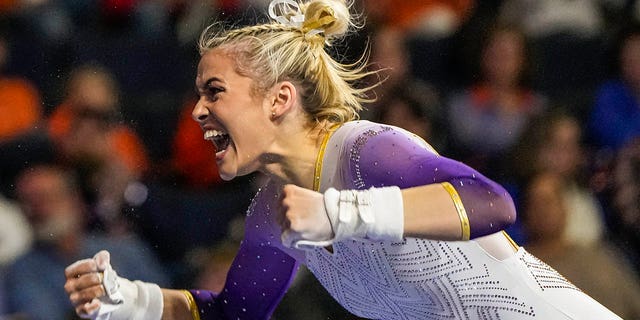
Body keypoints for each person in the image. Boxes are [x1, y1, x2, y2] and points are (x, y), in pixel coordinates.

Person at [63, 0, 622, 319]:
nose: (198, 113)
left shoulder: (369, 150)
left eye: (214, 91)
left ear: (279, 98)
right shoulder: (271, 214)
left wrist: (342, 214)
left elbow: (491, 203)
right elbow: (233, 313)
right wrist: (132, 300)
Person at [4, 164, 169, 320]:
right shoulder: (16, 273)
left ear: (74, 201)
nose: (39, 210)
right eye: (28, 202)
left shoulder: (126, 250)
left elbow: (165, 305)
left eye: (46, 198)